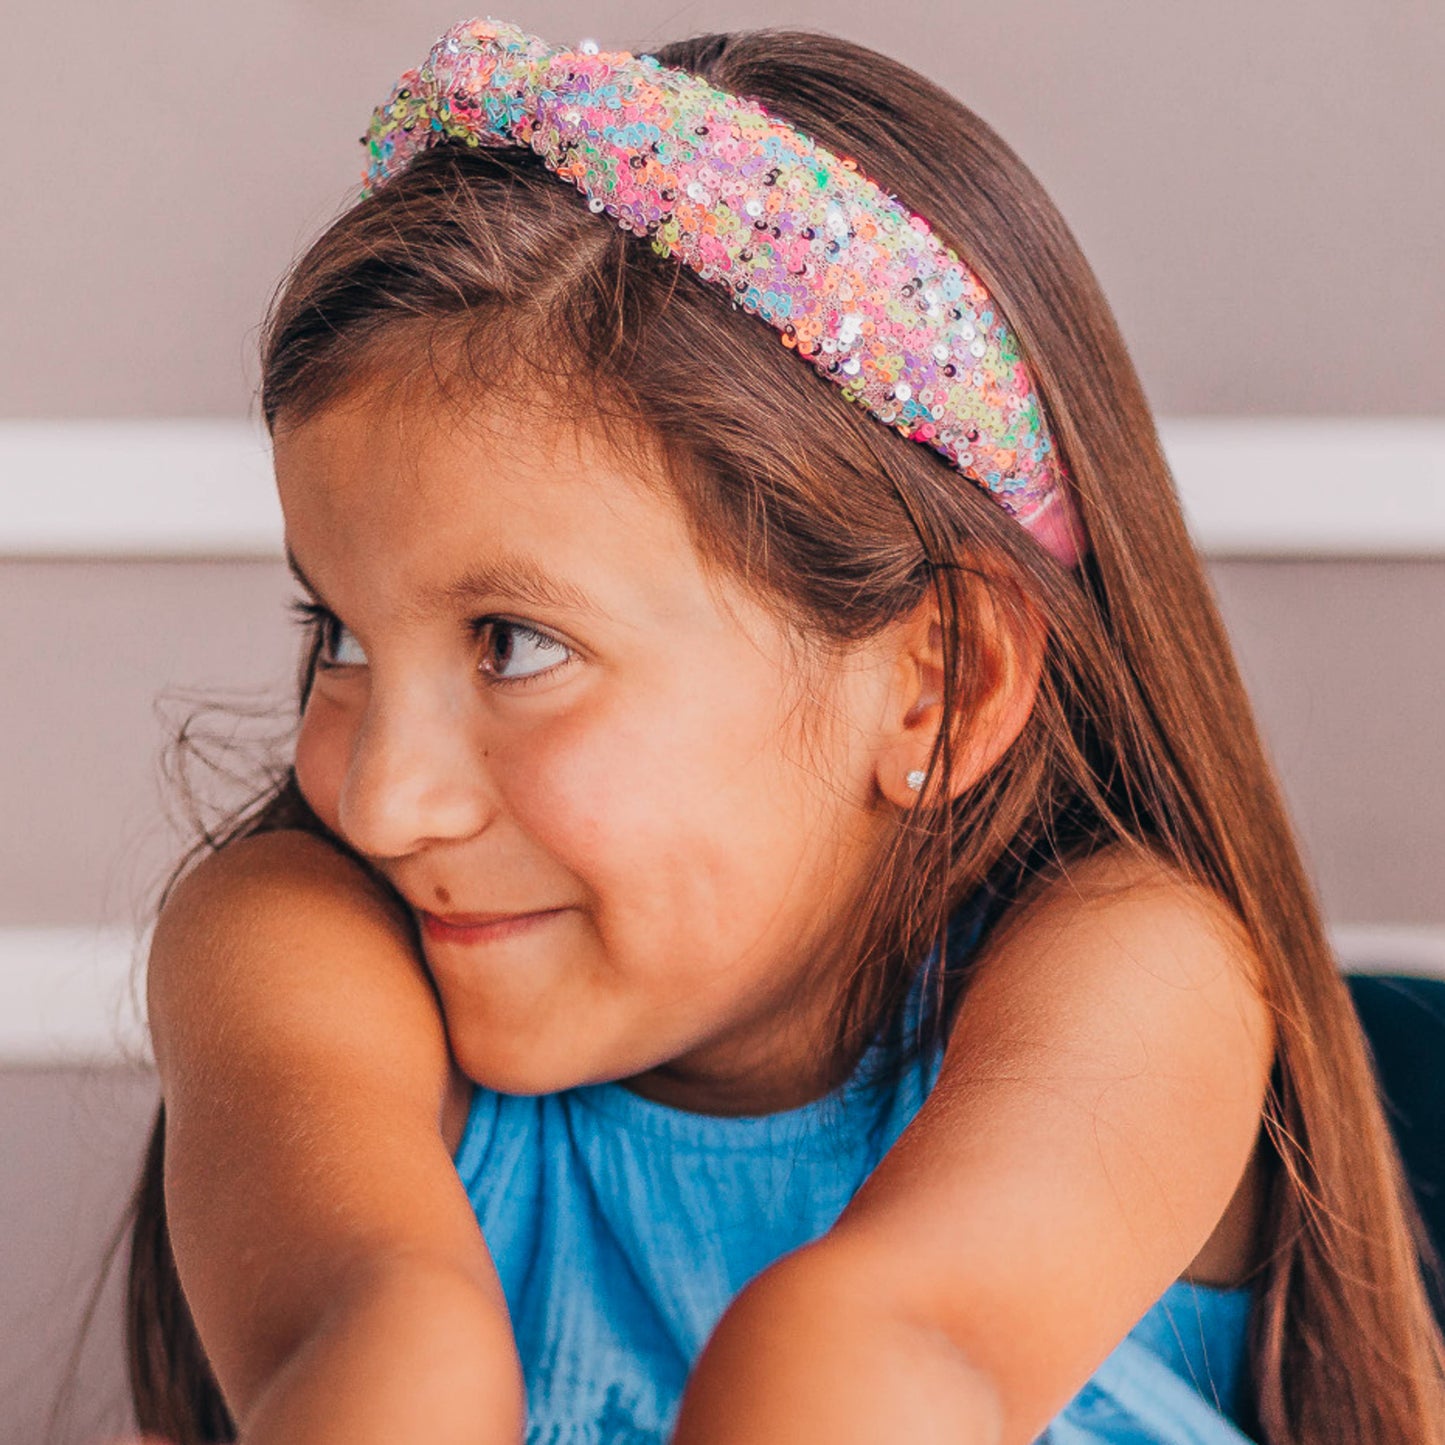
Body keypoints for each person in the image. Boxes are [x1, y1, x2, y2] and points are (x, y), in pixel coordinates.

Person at [114, 16, 1445, 1445]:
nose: (382, 801)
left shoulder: (1137, 973)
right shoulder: (301, 947)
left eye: (515, 644)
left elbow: (862, 1368)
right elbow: (388, 1355)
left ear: (937, 686)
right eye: (344, 638)